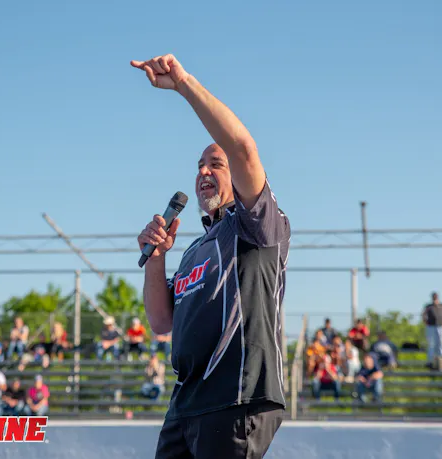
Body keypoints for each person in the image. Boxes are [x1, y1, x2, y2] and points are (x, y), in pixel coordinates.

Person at [133, 53, 289, 459]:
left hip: (235, 397)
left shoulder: (254, 223)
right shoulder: (194, 249)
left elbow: (243, 148)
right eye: (199, 165)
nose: (203, 171)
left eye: (216, 164)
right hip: (186, 403)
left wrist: (183, 84)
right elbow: (161, 322)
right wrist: (156, 259)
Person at [422, 292, 442, 371]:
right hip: (431, 326)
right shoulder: (428, 306)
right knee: (431, 344)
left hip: (441, 326)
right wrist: (426, 324)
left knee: (441, 343)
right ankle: (431, 361)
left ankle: (441, 361)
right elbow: (423, 315)